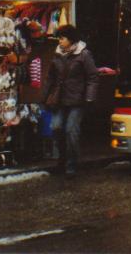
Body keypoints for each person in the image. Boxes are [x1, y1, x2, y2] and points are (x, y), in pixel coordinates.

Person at [42, 24, 98, 176]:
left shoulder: (84, 55)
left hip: (77, 100)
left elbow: (92, 77)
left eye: (62, 38)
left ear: (71, 39)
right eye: (59, 38)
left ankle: (71, 164)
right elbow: (50, 77)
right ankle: (62, 158)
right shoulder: (57, 54)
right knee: (56, 127)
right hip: (59, 98)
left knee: (71, 130)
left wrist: (90, 97)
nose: (59, 41)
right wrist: (44, 96)